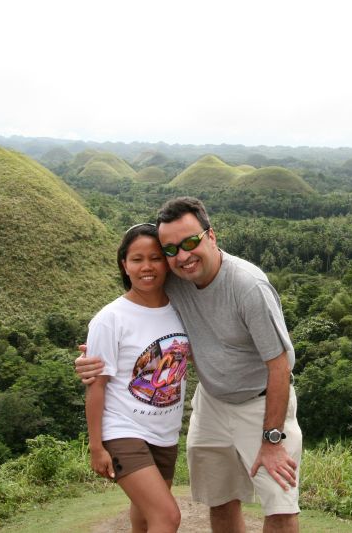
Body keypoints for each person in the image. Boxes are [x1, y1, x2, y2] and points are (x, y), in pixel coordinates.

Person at [78, 197, 302, 533]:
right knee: (220, 499)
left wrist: (272, 440)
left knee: (280, 507)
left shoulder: (247, 286)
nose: (182, 256)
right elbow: (133, 311)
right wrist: (91, 358)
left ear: (211, 236)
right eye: (171, 249)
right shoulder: (175, 279)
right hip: (211, 404)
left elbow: (279, 365)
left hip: (260, 404)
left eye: (191, 242)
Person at [85, 223, 189, 533]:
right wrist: (96, 446)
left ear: (167, 262)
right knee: (167, 516)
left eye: (156, 258)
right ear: (124, 265)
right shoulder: (110, 319)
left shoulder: (181, 310)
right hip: (123, 429)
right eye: (137, 259)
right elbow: (96, 387)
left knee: (145, 516)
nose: (147, 267)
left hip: (166, 432)